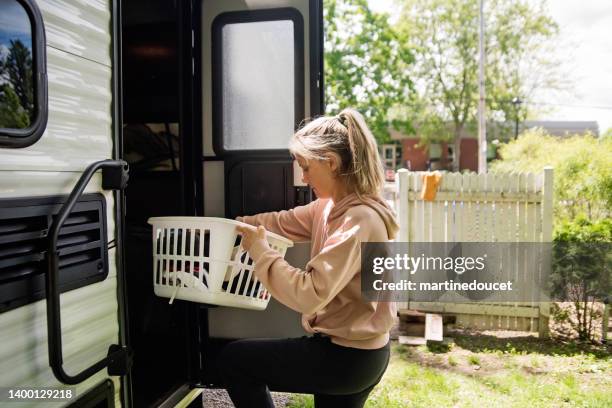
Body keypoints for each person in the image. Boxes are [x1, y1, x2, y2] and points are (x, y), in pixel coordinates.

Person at [216, 108, 399, 408]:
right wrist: (235, 226)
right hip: (358, 353)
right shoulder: (328, 207)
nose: (302, 178)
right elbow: (280, 222)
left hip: (347, 358)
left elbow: (310, 294)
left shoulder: (359, 220)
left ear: (332, 163)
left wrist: (260, 251)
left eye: (306, 167)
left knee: (236, 360)